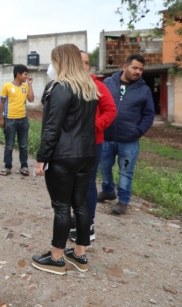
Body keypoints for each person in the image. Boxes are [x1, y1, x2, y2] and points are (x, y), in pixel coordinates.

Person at [32, 43, 98, 276]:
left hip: (64, 155)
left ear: (61, 61)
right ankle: (80, 254)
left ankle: (57, 257)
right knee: (80, 204)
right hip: (87, 154)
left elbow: (52, 127)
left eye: (54, 60)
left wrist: (41, 158)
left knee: (61, 207)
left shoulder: (61, 87)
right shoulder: (89, 86)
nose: (52, 65)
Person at [68, 51, 116, 242]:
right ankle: (78, 218)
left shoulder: (97, 86)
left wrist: (94, 127)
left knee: (87, 184)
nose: (85, 66)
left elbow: (111, 110)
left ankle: (88, 225)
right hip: (70, 145)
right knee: (72, 184)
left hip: (92, 144)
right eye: (81, 63)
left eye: (87, 63)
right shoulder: (67, 87)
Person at [98, 53, 155, 215]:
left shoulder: (144, 90)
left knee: (126, 171)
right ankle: (108, 191)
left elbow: (149, 115)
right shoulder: (108, 83)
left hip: (129, 140)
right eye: (135, 68)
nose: (138, 72)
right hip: (106, 137)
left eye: (141, 69)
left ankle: (123, 201)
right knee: (103, 167)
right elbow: (98, 105)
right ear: (125, 67)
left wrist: (138, 131)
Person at [0, 64, 34, 176]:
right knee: (9, 145)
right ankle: (7, 166)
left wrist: (30, 85)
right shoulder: (7, 86)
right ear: (18, 74)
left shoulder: (25, 87)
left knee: (23, 145)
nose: (26, 76)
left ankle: (24, 166)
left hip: (23, 120)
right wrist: (1, 119)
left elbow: (31, 99)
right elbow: (2, 103)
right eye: (25, 74)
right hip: (10, 120)